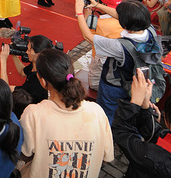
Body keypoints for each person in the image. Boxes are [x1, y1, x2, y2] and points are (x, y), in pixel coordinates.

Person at [19, 49, 114, 178]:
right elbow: (106, 157)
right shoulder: (97, 112)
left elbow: (24, 154)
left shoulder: (34, 114)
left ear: (43, 81)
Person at [75, 0, 164, 123]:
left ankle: (108, 135)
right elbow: (124, 18)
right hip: (135, 85)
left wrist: (79, 12)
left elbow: (88, 36)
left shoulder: (119, 46)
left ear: (125, 24)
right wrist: (97, 5)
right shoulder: (149, 30)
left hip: (115, 87)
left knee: (107, 116)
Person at [0, 35, 53, 103]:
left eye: (29, 50)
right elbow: (22, 72)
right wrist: (14, 54)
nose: (27, 52)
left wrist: (3, 60)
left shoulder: (36, 82)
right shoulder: (37, 64)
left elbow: (5, 90)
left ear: (38, 55)